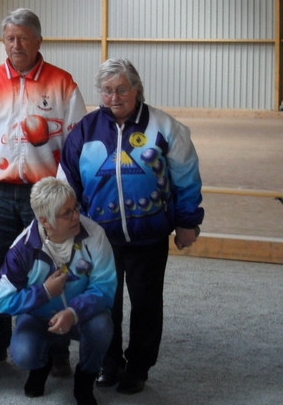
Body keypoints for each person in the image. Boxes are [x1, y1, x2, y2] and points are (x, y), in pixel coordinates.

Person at [59, 59, 204, 395]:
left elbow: (186, 177)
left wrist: (187, 223)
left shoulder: (165, 127)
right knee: (104, 303)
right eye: (107, 90)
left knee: (146, 305)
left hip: (149, 236)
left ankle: (138, 368)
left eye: (122, 89)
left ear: (137, 89)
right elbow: (67, 181)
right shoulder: (84, 130)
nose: (114, 97)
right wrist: (68, 226)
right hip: (98, 238)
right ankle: (108, 365)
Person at [0, 8, 86, 370]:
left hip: (46, 196)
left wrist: (65, 197)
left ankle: (57, 351)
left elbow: (75, 144)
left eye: (23, 38)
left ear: (38, 42)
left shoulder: (63, 84)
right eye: (10, 39)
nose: (15, 45)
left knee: (52, 269)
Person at [0, 177, 116, 405]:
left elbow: (105, 287)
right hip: (40, 317)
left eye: (75, 208)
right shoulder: (23, 248)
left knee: (102, 326)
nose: (76, 216)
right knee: (23, 353)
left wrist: (73, 312)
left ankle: (85, 378)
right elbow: (1, 301)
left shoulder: (95, 235)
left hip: (82, 316)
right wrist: (44, 293)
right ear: (45, 221)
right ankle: (41, 366)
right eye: (66, 213)